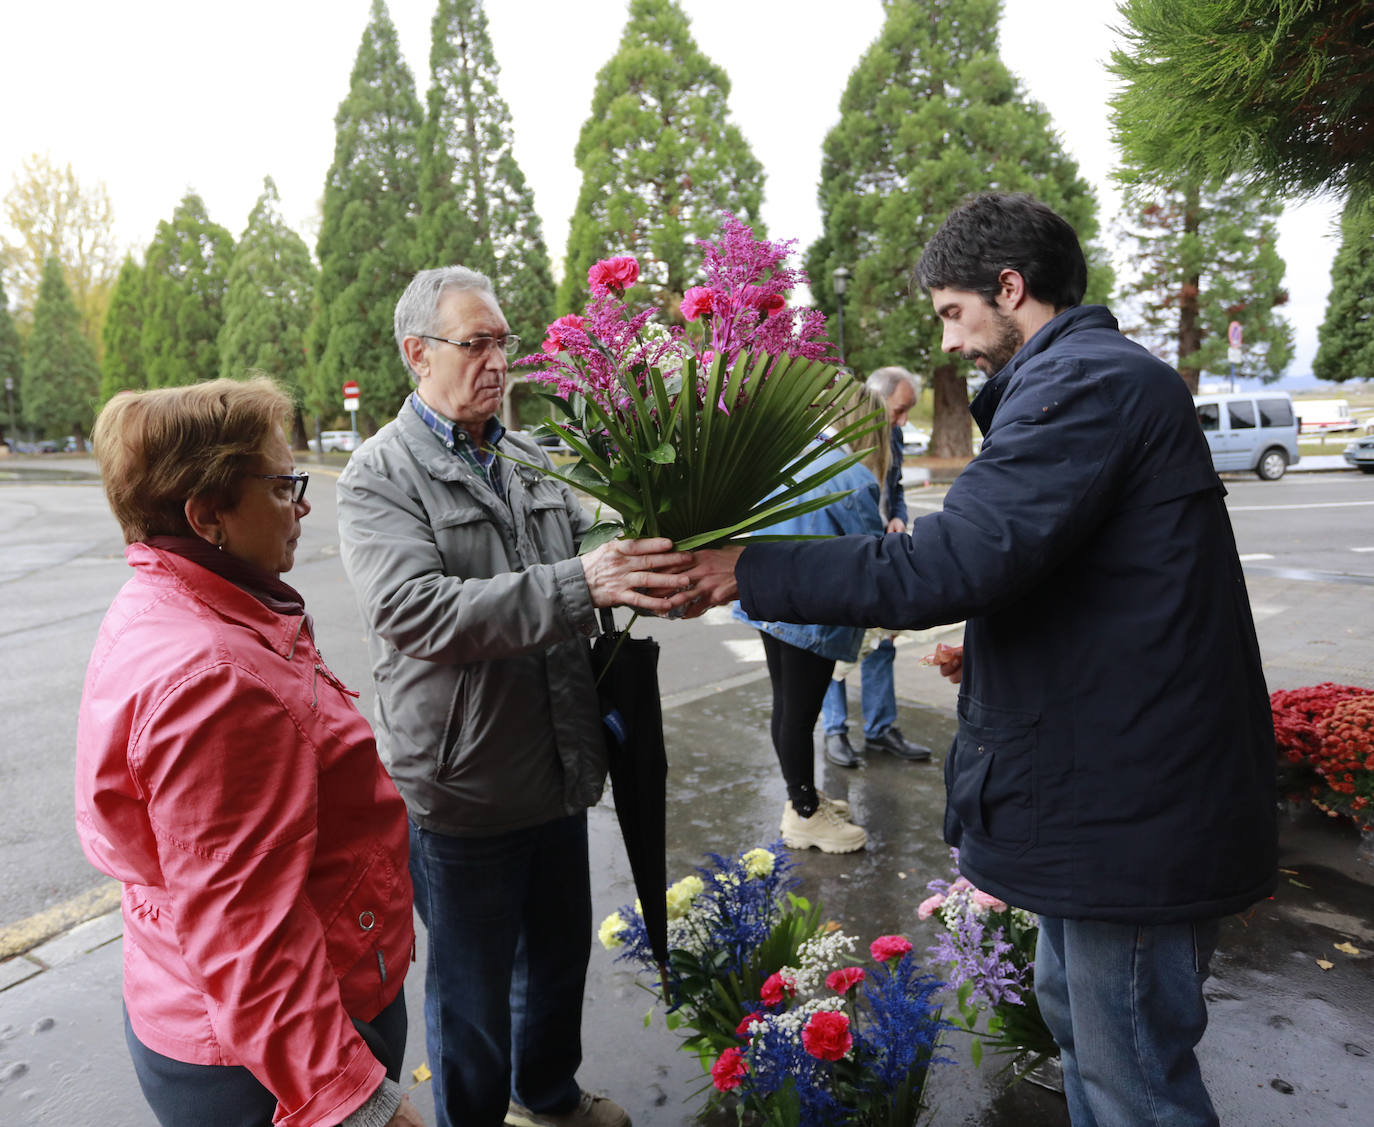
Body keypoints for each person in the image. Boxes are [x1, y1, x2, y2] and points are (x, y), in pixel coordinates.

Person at [666, 193, 1277, 1127]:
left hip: (1135, 810)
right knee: (1089, 1031)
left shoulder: (1085, 386)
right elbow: (1079, 578)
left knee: (1135, 1078)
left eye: (953, 313)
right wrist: (999, 652)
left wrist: (745, 569)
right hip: (1111, 794)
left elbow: (952, 561)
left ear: (1010, 286)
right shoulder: (1083, 381)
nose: (949, 344)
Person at [336, 266, 691, 1127]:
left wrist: (657, 550)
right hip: (463, 786)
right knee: (471, 991)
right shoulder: (380, 474)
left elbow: (598, 551)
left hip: (558, 766)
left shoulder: (527, 455)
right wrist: (584, 582)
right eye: (476, 343)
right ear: (418, 354)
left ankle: (549, 1097)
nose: (498, 361)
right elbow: (413, 611)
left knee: (559, 957)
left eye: (504, 342)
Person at [76, 378, 422, 1127]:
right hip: (270, 1058)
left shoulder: (174, 596)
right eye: (282, 485)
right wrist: (356, 1100)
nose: (303, 505)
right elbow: (245, 929)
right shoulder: (216, 681)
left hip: (223, 1015)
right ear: (209, 518)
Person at [732, 385, 889, 854]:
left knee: (787, 709)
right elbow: (876, 552)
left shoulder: (790, 458)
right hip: (814, 614)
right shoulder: (848, 473)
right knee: (800, 715)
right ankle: (803, 813)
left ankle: (802, 798)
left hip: (768, 601)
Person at [819, 365, 932, 768]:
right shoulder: (830, 440)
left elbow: (895, 486)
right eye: (899, 411)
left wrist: (897, 516)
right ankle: (835, 731)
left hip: (880, 545)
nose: (902, 422)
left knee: (883, 643)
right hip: (844, 553)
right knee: (833, 646)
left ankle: (880, 728)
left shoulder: (894, 435)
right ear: (874, 400)